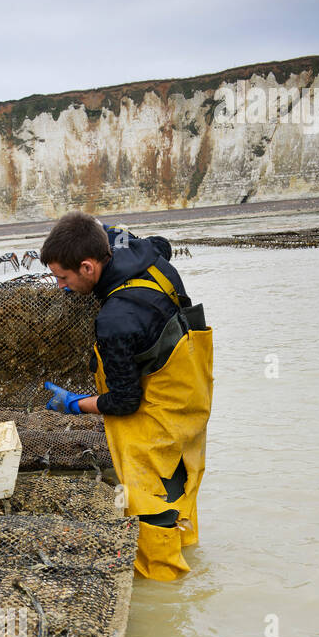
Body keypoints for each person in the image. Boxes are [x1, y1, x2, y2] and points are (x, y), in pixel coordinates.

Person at [40, 212, 213, 581]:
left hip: (157, 415)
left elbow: (124, 401)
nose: (59, 286)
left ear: (88, 267)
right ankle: (189, 555)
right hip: (192, 395)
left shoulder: (116, 319)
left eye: (63, 277)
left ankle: (166, 588)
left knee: (150, 499)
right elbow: (159, 243)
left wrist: (74, 403)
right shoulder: (144, 252)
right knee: (180, 482)